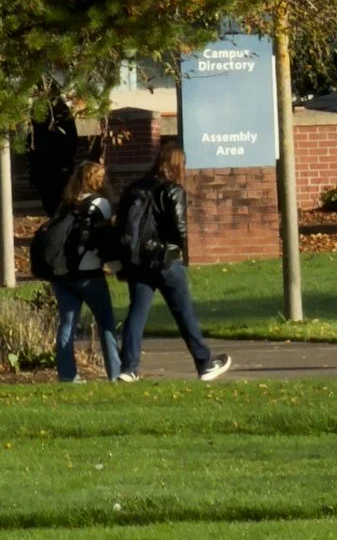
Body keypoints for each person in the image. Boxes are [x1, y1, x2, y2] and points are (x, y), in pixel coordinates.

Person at [113, 147, 231, 384]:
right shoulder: (173, 190)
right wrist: (179, 248)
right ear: (178, 165)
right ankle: (204, 363)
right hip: (165, 260)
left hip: (138, 262)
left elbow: (121, 224)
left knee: (136, 314)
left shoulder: (135, 188)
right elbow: (179, 230)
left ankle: (129, 368)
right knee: (183, 312)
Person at [30, 157, 122, 383]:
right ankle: (116, 373)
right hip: (88, 273)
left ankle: (67, 374)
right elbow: (108, 239)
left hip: (61, 274)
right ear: (99, 181)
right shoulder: (100, 204)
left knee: (67, 324)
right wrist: (118, 267)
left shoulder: (66, 205)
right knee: (106, 323)